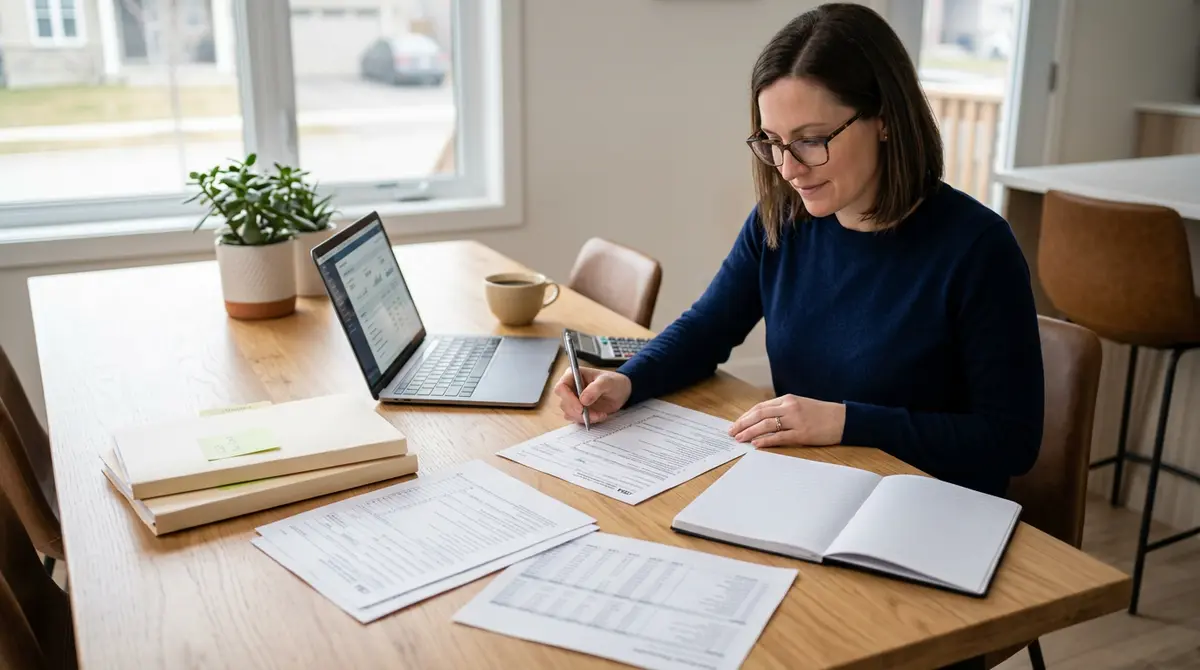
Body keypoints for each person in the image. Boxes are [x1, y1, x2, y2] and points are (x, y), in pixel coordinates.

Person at [554, 2, 1044, 500]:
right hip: (813, 485)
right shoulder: (783, 220)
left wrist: (846, 422)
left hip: (931, 507)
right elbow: (706, 330)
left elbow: (1011, 441)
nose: (788, 169)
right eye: (772, 141)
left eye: (811, 140)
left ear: (885, 119)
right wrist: (628, 382)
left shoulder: (979, 249)